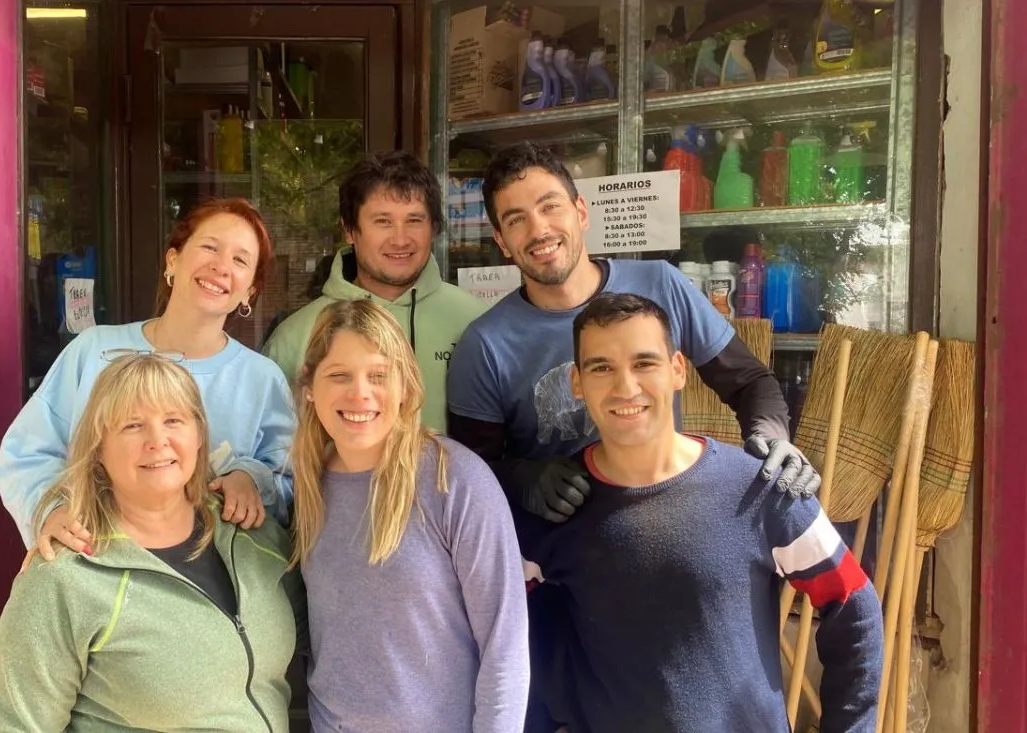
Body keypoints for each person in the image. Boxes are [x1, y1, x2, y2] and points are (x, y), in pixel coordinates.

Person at [515, 293, 882, 732]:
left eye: (644, 363)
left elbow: (853, 607)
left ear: (678, 370)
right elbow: (515, 638)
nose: (625, 387)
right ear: (577, 383)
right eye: (601, 368)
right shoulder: (551, 511)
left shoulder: (760, 488)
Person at [448, 141, 818, 525]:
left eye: (550, 206)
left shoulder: (661, 285)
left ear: (581, 212)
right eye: (515, 220)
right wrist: (519, 479)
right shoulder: (484, 345)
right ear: (501, 242)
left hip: (665, 521)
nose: (539, 230)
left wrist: (772, 438)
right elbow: (467, 471)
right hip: (555, 545)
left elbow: (750, 382)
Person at [0, 353, 305, 732]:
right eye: (132, 425)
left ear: (198, 434)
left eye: (173, 420)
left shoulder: (253, 537)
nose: (157, 441)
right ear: (98, 449)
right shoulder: (62, 579)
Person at [0, 197, 295, 558]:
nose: (221, 266)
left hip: (212, 576)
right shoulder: (94, 350)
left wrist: (251, 480)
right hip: (98, 567)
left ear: (250, 291)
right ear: (173, 260)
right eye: (209, 247)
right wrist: (50, 510)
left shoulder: (262, 379)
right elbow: (26, 453)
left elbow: (292, 481)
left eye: (240, 260)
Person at [290, 299, 530, 732]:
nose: (360, 393)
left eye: (378, 375)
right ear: (309, 385)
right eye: (339, 375)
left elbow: (505, 645)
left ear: (405, 385)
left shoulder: (454, 480)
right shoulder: (308, 485)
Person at [264, 150, 488, 432]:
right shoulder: (295, 337)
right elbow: (275, 446)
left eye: (414, 220)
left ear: (433, 228)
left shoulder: (476, 322)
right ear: (349, 230)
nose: (400, 240)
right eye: (383, 221)